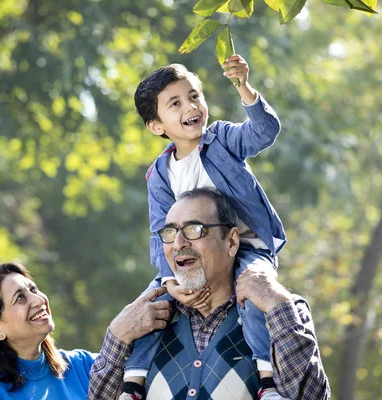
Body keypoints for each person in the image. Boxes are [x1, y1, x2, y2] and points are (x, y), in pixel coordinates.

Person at [121, 54, 287, 399]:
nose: (190, 107)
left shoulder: (223, 139)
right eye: (175, 103)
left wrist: (244, 88)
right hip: (192, 255)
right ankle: (132, 383)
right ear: (156, 125)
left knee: (255, 292)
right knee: (151, 303)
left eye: (195, 96)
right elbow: (159, 232)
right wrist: (169, 278)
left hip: (247, 247)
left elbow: (264, 132)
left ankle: (267, 381)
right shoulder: (161, 174)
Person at [89, 188, 331, 399]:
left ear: (232, 242)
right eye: (170, 232)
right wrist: (117, 336)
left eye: (194, 229)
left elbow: (310, 396)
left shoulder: (281, 311)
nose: (178, 243)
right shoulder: (143, 321)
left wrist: (277, 303)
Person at [0, 262, 172, 399]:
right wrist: (116, 334)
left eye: (34, 289)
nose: (38, 300)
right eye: (20, 297)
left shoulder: (82, 365)